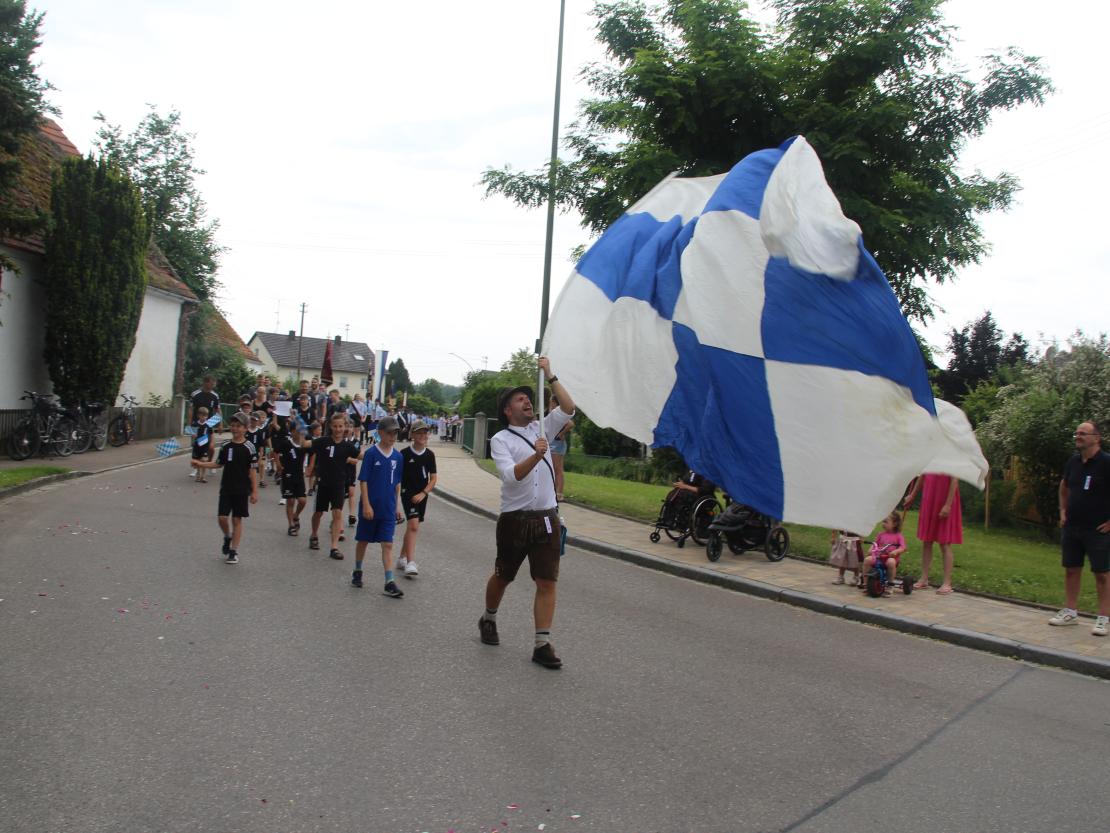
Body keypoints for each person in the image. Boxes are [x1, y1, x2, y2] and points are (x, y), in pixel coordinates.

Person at [479, 357, 575, 670]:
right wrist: (536, 455)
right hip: (515, 519)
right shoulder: (500, 440)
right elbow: (511, 476)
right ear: (507, 410)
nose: (527, 401)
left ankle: (542, 643)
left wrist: (550, 374)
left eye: (527, 398)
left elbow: (569, 407)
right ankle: (489, 617)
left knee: (547, 581)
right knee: (503, 575)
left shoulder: (543, 427)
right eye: (520, 399)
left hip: (546, 517)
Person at [1049, 421, 1110, 636]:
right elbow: (1064, 486)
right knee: (1071, 569)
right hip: (1073, 527)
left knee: (1102, 574)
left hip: (1098, 530)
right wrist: (1063, 511)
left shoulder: (1106, 462)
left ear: (1096, 438)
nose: (1078, 436)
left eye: (1083, 433)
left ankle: (1103, 618)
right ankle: (1071, 612)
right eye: (1076, 433)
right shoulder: (1073, 462)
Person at [191, 412, 258, 564]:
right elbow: (218, 464)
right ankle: (227, 536)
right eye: (233, 426)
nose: (235, 429)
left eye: (238, 426)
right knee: (222, 518)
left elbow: (253, 470)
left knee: (236, 519)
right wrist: (200, 463)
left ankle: (233, 551)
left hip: (242, 489)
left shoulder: (250, 447)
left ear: (245, 428)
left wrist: (254, 491)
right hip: (227, 487)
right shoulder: (226, 445)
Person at [350, 415, 405, 596]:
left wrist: (396, 506)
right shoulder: (371, 454)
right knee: (363, 540)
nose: (393, 437)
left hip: (388, 508)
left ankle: (389, 581)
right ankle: (358, 570)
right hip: (371, 507)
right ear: (380, 433)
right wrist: (366, 504)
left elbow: (397, 484)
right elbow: (364, 480)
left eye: (395, 433)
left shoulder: (398, 457)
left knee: (387, 544)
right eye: (389, 433)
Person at [306, 412, 360, 560]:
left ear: (345, 427)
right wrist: (298, 432)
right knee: (318, 513)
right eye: (335, 426)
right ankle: (314, 535)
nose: (338, 429)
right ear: (330, 426)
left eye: (340, 426)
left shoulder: (348, 446)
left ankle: (334, 547)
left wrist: (378, 450)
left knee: (337, 513)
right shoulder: (323, 441)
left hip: (339, 484)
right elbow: (306, 444)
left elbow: (360, 455)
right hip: (323, 484)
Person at [903, 472, 962, 594]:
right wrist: (912, 495)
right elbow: (923, 475)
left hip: (945, 500)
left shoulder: (952, 460)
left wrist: (948, 505)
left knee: (944, 543)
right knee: (927, 541)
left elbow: (954, 480)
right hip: (929, 498)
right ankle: (924, 578)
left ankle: (947, 583)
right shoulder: (931, 460)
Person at [398, 419, 437, 578]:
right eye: (419, 433)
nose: (422, 435)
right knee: (413, 525)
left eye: (424, 433)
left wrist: (424, 493)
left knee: (412, 527)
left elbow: (433, 478)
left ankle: (402, 557)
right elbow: (397, 479)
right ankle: (410, 562)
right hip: (408, 493)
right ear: (412, 435)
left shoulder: (429, 455)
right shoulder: (404, 454)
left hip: (422, 495)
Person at [272, 421, 309, 536]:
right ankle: (291, 525)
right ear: (292, 432)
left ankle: (296, 515)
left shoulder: (304, 444)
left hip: (299, 475)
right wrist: (278, 464)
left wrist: (310, 467)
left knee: (302, 500)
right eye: (298, 431)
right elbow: (275, 452)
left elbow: (313, 453)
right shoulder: (286, 443)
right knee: (291, 500)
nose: (300, 433)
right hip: (287, 474)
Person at [860, 512, 907, 595]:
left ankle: (890, 584)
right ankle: (866, 584)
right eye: (883, 521)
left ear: (895, 524)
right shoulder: (881, 534)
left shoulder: (898, 536)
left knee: (890, 562)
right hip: (879, 557)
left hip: (890, 557)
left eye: (886, 522)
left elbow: (903, 547)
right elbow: (875, 543)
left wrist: (896, 551)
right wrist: (871, 550)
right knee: (867, 560)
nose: (883, 524)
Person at [189, 375, 220, 475]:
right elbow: (191, 410)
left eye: (214, 383)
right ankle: (196, 466)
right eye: (212, 383)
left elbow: (218, 410)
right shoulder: (195, 394)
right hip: (197, 425)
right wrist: (189, 425)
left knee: (211, 447)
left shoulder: (215, 396)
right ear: (206, 383)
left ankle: (210, 464)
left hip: (209, 424)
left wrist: (220, 424)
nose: (214, 385)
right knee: (197, 446)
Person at [547, 391, 574, 500]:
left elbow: (570, 424)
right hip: (554, 443)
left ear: (554, 402)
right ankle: (555, 491)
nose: (550, 403)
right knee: (554, 469)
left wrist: (560, 434)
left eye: (551, 402)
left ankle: (559, 493)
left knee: (558, 469)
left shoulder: (559, 413)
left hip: (557, 443)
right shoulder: (555, 413)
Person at [190, 406, 214, 483]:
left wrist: (211, 443)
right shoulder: (195, 424)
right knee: (197, 460)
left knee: (204, 460)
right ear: (198, 415)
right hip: (197, 445)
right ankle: (198, 474)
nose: (204, 417)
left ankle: (203, 476)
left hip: (205, 446)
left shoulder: (208, 425)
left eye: (205, 416)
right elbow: (192, 434)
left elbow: (211, 434)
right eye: (202, 415)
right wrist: (193, 439)